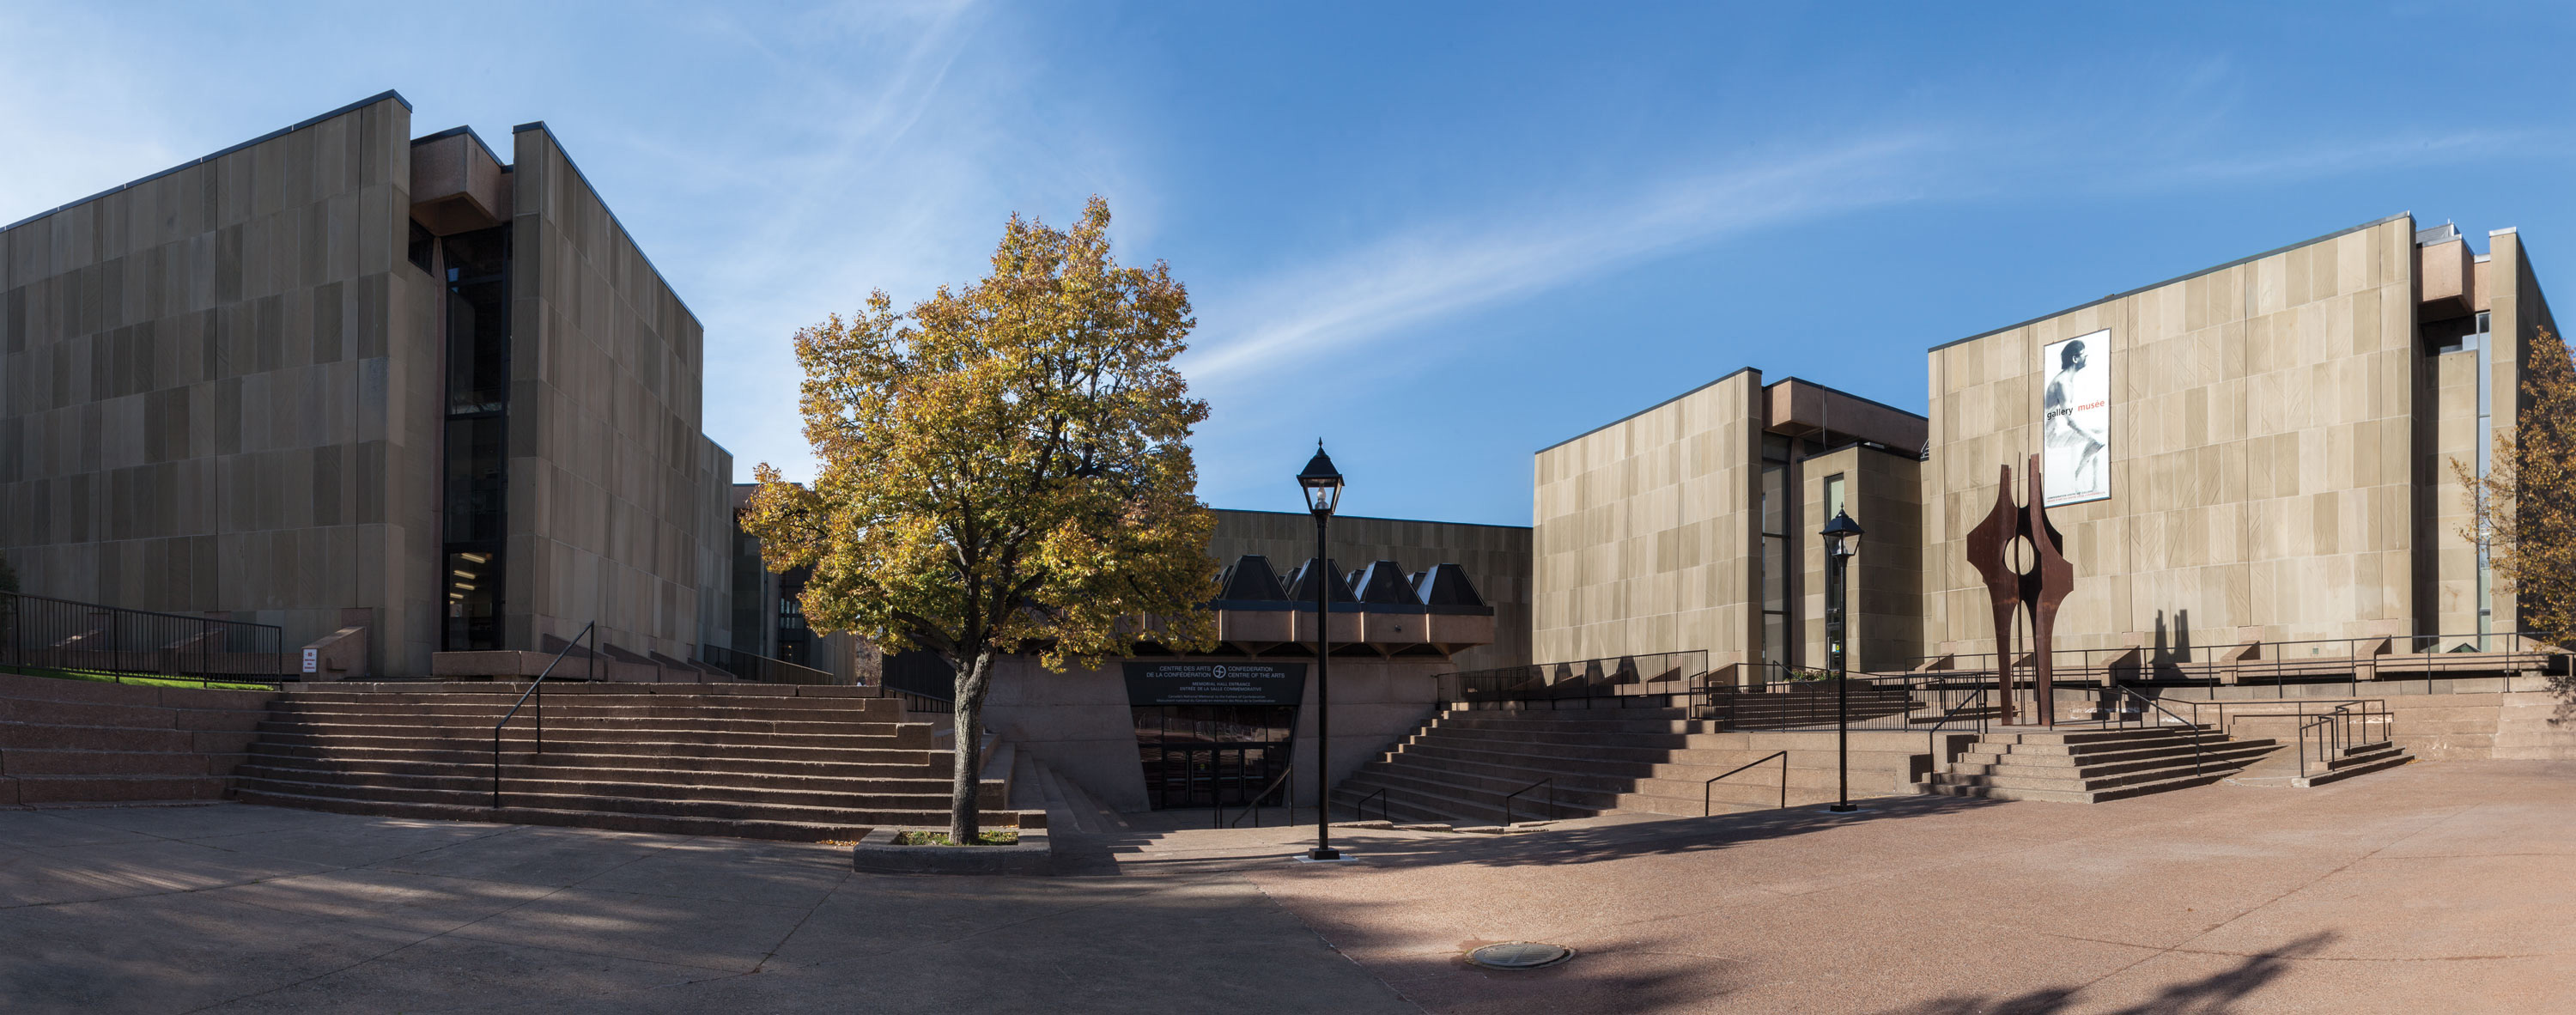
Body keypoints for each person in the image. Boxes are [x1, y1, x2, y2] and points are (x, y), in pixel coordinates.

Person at [2043, 338, 2106, 499]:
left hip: (2062, 430)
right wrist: (2093, 437)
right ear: (2075, 358)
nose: (2087, 357)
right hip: (2053, 437)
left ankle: (2093, 484)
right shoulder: (2062, 383)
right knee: (2098, 438)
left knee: (2102, 433)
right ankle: (2079, 476)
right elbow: (2069, 420)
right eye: (2084, 354)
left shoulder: (2069, 380)